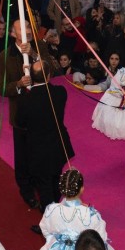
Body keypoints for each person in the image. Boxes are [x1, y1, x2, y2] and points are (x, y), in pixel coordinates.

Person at [0, 19, 53, 209]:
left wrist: (35, 55)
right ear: (13, 34)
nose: (28, 30)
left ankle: (41, 183)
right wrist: (19, 84)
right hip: (21, 113)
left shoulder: (40, 47)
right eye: (22, 28)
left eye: (29, 26)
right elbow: (2, 88)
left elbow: (51, 70)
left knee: (41, 152)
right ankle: (26, 190)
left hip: (42, 110)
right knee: (22, 155)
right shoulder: (5, 55)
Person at [15, 60, 74, 215]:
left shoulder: (25, 100)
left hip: (38, 150)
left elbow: (20, 122)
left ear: (31, 77)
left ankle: (50, 218)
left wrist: (24, 89)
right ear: (49, 75)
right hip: (58, 146)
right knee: (56, 179)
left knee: (44, 186)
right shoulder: (61, 92)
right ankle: (55, 209)